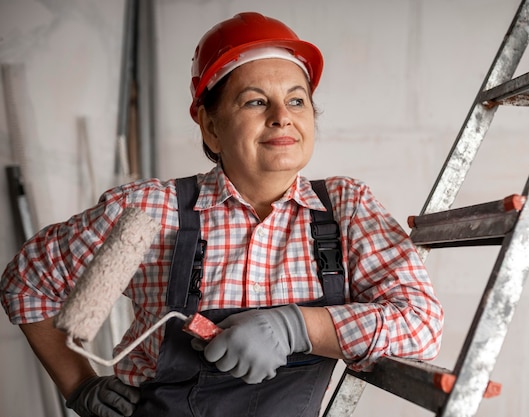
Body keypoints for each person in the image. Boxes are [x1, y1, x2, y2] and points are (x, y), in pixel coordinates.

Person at [0, 12, 443, 417]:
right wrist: (80, 385)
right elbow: (27, 281)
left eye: (296, 101)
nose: (281, 118)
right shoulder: (153, 211)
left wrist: (296, 327)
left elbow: (421, 323)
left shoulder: (345, 210)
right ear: (210, 125)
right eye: (255, 102)